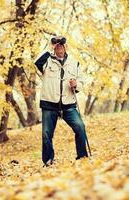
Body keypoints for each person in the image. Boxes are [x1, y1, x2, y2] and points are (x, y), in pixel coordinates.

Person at [34, 36, 89, 167]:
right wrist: (49, 48)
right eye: (56, 46)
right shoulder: (47, 61)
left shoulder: (74, 63)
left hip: (68, 104)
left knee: (80, 127)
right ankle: (48, 160)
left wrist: (76, 84)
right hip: (49, 104)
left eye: (61, 45)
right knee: (47, 134)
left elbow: (81, 81)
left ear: (65, 47)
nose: (59, 47)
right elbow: (36, 62)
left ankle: (82, 157)